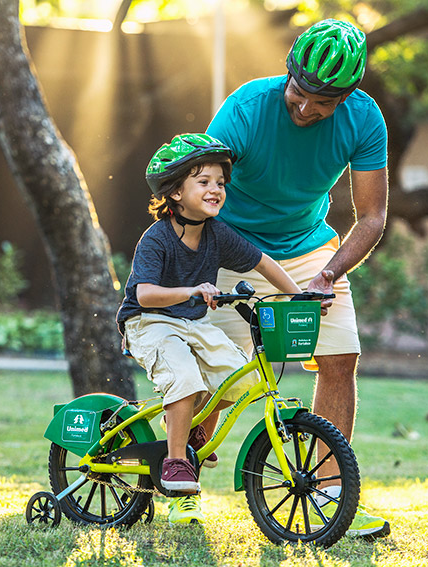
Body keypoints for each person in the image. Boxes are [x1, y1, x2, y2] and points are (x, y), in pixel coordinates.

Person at [205, 19, 391, 538]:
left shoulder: (364, 119)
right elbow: (200, 193)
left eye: (323, 103)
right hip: (230, 244)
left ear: (347, 98)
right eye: (300, 94)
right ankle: (182, 480)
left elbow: (371, 216)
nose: (306, 109)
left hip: (309, 251)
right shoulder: (245, 108)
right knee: (215, 377)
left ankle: (330, 498)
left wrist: (329, 274)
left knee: (339, 359)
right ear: (288, 73)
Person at [116, 133, 302, 525]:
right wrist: (192, 290)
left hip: (192, 320)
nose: (215, 189)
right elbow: (145, 294)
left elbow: (263, 263)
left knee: (237, 379)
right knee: (185, 377)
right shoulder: (157, 239)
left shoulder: (217, 234)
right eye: (203, 182)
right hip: (149, 322)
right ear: (176, 192)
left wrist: (299, 296)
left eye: (219, 182)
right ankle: (176, 459)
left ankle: (193, 432)